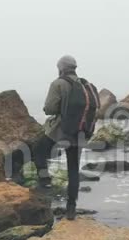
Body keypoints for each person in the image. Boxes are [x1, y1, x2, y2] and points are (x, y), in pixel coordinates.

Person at [33, 55, 99, 220]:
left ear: (61, 68)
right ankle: (71, 209)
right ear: (75, 68)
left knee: (38, 150)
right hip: (80, 132)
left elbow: (49, 109)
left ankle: (45, 181)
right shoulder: (87, 85)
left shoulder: (58, 83)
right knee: (73, 170)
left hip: (61, 130)